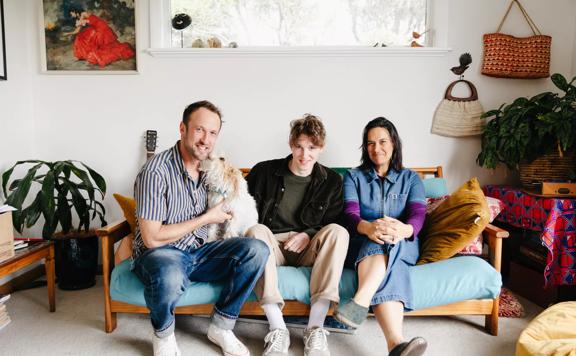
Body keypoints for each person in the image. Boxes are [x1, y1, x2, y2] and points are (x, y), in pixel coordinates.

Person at [131, 100, 269, 356]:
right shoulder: (156, 172)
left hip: (199, 253)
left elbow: (236, 196)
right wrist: (207, 218)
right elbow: (151, 239)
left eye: (213, 133)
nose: (206, 139)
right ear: (183, 129)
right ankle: (163, 334)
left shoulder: (209, 171)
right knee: (170, 270)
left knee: (257, 250)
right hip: (162, 253)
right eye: (199, 130)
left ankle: (221, 326)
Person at [245, 114, 349, 356]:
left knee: (339, 232)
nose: (305, 155)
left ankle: (315, 328)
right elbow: (244, 208)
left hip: (309, 249)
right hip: (272, 245)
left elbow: (333, 220)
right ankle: (277, 328)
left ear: (321, 148)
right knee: (255, 231)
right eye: (299, 147)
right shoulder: (264, 171)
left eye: (312, 148)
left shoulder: (332, 181)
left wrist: (308, 234)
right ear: (291, 144)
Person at [333, 117, 428, 356]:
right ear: (365, 147)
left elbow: (418, 214)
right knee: (388, 255)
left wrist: (403, 230)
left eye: (383, 141)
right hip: (363, 243)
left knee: (391, 242)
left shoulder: (411, 178)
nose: (377, 148)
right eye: (370, 143)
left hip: (404, 242)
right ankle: (396, 345)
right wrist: (368, 228)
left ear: (394, 143)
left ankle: (360, 301)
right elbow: (350, 213)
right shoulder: (354, 177)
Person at [63, 7, 135, 67]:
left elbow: (93, 20)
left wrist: (84, 21)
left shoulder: (83, 13)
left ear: (74, 11)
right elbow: (77, 31)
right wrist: (68, 33)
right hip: (95, 28)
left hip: (100, 26)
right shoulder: (78, 19)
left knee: (101, 45)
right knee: (80, 36)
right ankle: (81, 55)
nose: (71, 15)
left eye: (71, 14)